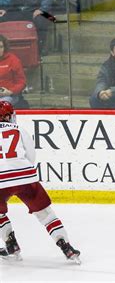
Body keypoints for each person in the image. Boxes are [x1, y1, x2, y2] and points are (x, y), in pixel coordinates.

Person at [0, 101, 80, 262]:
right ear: (8, 116)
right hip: (26, 177)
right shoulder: (19, 129)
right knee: (46, 214)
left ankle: (11, 244)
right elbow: (31, 156)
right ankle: (66, 246)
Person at [0, 35, 26, 105]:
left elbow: (21, 82)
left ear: (4, 48)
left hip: (9, 96)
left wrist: (10, 91)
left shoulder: (13, 60)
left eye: (1, 47)